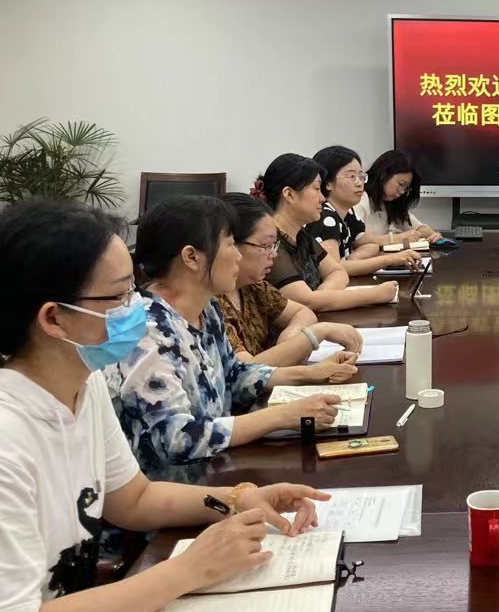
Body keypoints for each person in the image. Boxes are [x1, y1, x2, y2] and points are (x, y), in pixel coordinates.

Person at [0, 200, 329, 612]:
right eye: (119, 297)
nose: (137, 307)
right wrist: (191, 569)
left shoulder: (82, 381)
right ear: (54, 318)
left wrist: (238, 497)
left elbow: (133, 499)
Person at [106, 195, 353, 480]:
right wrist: (282, 416)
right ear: (191, 257)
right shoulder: (148, 331)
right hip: (179, 495)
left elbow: (234, 375)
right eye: (229, 244)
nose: (237, 256)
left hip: (220, 469)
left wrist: (309, 374)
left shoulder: (207, 308)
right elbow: (177, 438)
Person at [217, 193, 366, 367]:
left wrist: (290, 341)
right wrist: (314, 335)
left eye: (274, 245)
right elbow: (246, 371)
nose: (273, 254)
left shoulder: (254, 286)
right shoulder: (211, 302)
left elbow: (302, 313)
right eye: (265, 245)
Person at [255, 153, 399, 312]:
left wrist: (320, 297)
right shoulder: (271, 243)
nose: (322, 198)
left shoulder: (301, 235)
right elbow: (305, 301)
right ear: (289, 194)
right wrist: (375, 295)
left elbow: (338, 271)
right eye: (316, 189)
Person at [307, 145, 422, 275]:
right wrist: (389, 259)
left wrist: (353, 259)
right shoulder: (325, 216)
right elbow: (334, 270)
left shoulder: (348, 214)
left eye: (361, 176)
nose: (360, 183)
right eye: (351, 176)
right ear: (328, 183)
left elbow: (371, 243)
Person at [357, 149, 442, 244]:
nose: (402, 192)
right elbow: (356, 239)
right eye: (401, 184)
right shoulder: (359, 198)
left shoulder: (390, 203)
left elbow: (417, 227)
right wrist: (396, 238)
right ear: (383, 175)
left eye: (406, 188)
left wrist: (433, 235)